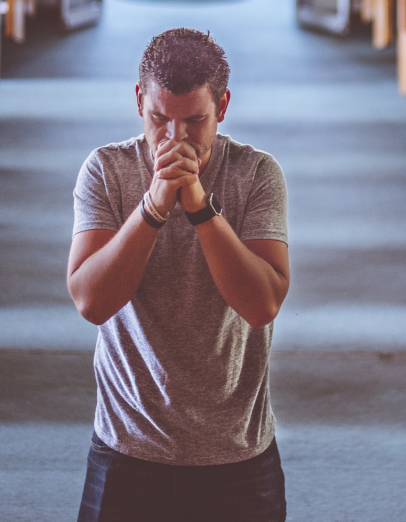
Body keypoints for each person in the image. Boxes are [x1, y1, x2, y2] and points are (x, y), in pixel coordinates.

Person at [66, 27, 290, 522]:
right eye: (159, 119)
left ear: (223, 106)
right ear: (139, 101)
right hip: (127, 445)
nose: (175, 139)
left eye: (194, 121)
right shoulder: (106, 170)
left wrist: (200, 208)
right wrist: (152, 206)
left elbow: (261, 305)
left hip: (236, 452)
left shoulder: (256, 174)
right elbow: (92, 302)